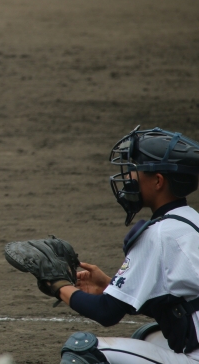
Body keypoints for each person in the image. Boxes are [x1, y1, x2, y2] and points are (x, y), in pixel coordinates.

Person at [50, 126, 199, 364]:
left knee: (82, 349)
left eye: (134, 170)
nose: (128, 177)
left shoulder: (158, 235)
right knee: (148, 336)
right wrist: (109, 285)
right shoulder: (190, 220)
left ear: (158, 181)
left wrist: (57, 285)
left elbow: (106, 312)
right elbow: (177, 302)